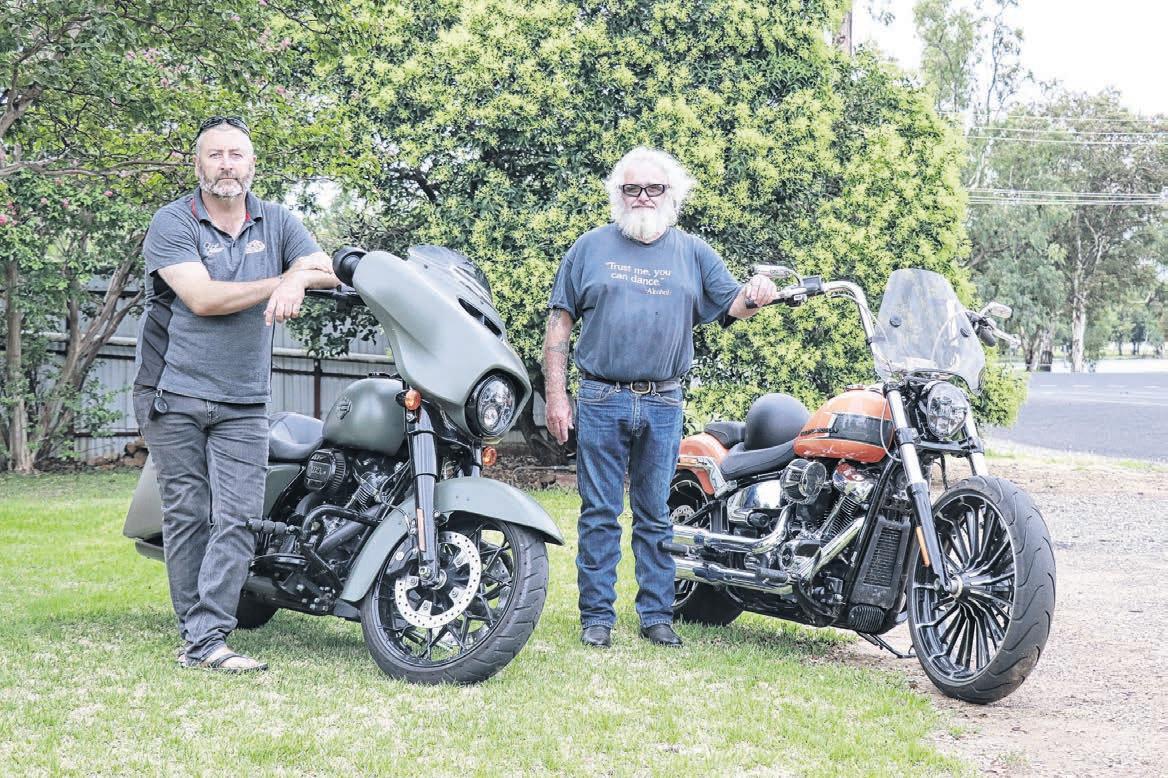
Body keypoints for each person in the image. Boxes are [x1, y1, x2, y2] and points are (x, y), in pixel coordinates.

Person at [542, 146, 778, 648]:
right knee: (599, 513)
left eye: (654, 188)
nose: (643, 197)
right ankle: (597, 618)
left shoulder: (693, 252)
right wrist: (556, 396)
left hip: (663, 401)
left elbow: (735, 304)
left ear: (672, 194)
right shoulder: (589, 248)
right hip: (601, 397)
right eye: (632, 188)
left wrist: (759, 290)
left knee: (655, 513)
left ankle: (656, 615)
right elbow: (559, 323)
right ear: (618, 194)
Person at [132, 116, 340, 672]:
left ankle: (207, 635)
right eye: (215, 155)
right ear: (198, 164)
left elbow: (326, 268)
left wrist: (300, 276)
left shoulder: (277, 220)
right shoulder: (174, 221)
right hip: (172, 390)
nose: (226, 165)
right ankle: (203, 641)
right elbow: (203, 299)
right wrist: (284, 280)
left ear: (252, 164)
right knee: (188, 513)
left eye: (236, 155)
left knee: (241, 518)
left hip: (244, 399)